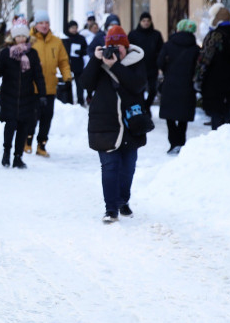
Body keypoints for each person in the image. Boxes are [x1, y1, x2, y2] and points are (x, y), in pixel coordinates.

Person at [78, 26, 147, 223]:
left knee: (128, 168)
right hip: (105, 122)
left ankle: (122, 201)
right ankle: (111, 209)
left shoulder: (136, 62)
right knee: (109, 166)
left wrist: (116, 65)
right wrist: (96, 60)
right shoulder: (100, 63)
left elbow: (137, 85)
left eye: (120, 46)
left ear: (126, 46)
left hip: (131, 123)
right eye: (112, 46)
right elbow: (85, 84)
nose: (117, 50)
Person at [0, 23, 45, 169]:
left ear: (27, 37)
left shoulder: (32, 54)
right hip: (9, 95)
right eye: (17, 36)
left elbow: (38, 76)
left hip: (27, 97)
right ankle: (6, 152)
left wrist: (42, 94)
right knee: (11, 124)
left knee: (23, 127)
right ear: (13, 38)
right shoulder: (6, 53)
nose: (20, 39)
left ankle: (18, 157)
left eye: (23, 36)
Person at [28, 10, 72, 157]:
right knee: (32, 118)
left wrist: (67, 78)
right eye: (41, 23)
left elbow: (63, 62)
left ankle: (41, 145)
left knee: (47, 118)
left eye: (46, 23)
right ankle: (27, 142)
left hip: (50, 87)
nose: (44, 25)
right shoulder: (29, 40)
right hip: (32, 88)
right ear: (36, 25)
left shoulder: (56, 41)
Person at [194, 4, 230, 130]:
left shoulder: (214, 36)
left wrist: (198, 78)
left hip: (214, 82)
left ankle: (219, 139)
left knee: (216, 115)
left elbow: (204, 60)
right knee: (228, 114)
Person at [157, 19, 200, 154]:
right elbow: (198, 67)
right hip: (187, 85)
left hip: (170, 84)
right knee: (183, 116)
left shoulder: (168, 45)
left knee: (170, 115)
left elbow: (159, 62)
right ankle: (181, 143)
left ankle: (173, 142)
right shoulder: (195, 48)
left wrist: (167, 71)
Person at [127, 12, 164, 106]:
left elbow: (161, 50)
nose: (146, 23)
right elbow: (128, 49)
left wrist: (159, 64)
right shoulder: (133, 34)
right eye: (144, 21)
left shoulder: (156, 34)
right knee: (140, 90)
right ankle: (143, 109)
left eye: (148, 21)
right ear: (140, 22)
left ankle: (146, 107)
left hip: (152, 66)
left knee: (153, 89)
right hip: (137, 67)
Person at [60, 20, 88, 105]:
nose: (74, 30)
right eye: (72, 28)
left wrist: (81, 52)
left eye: (76, 28)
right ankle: (68, 100)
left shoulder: (81, 38)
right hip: (67, 64)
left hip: (78, 64)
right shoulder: (65, 38)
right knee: (67, 83)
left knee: (79, 84)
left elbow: (86, 49)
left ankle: (80, 100)